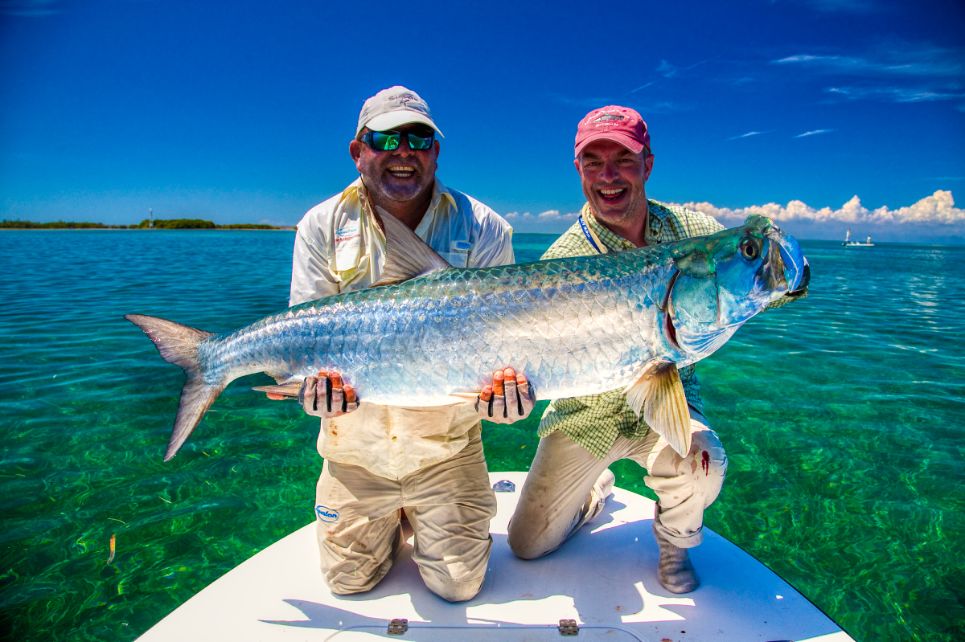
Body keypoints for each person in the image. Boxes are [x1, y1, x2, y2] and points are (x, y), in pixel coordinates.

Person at [275, 86, 533, 602]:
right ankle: (396, 519)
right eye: (385, 138)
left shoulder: (484, 228)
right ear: (358, 151)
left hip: (447, 453)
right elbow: (305, 343)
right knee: (349, 585)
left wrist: (510, 402)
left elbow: (508, 350)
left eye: (419, 138)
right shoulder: (320, 226)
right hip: (354, 453)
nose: (403, 151)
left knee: (458, 588)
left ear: (435, 151)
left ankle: (580, 495)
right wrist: (309, 390)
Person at [506, 106, 728, 594]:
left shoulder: (693, 232)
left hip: (667, 398)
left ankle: (675, 541)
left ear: (647, 164)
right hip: (586, 415)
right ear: (579, 170)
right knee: (527, 545)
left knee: (703, 458)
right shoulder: (562, 260)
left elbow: (746, 264)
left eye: (623, 160)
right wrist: (504, 394)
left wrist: (789, 276)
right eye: (593, 162)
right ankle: (594, 492)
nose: (608, 176)